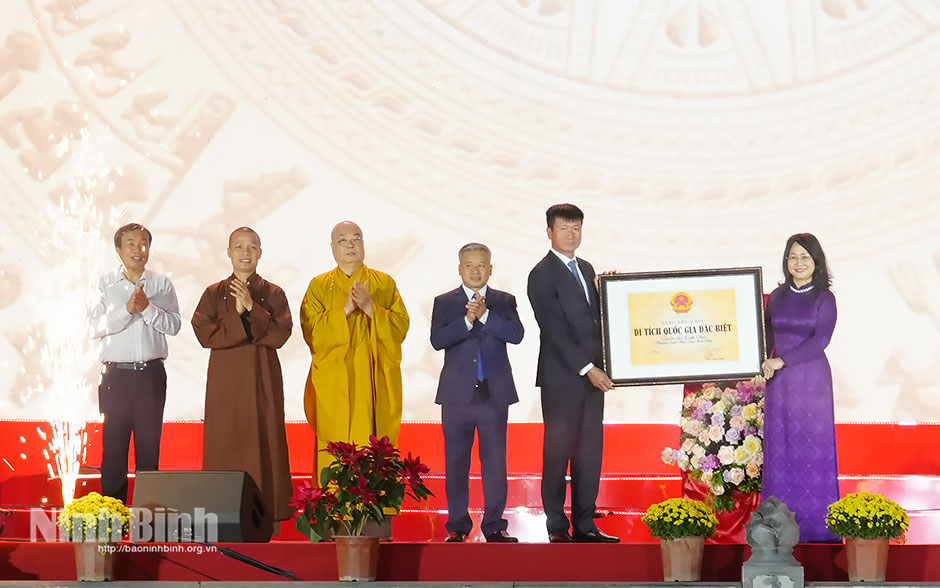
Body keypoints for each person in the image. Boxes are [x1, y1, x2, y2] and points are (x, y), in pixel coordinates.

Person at [526, 204, 619, 543]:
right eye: (564, 228)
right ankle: (556, 525)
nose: (571, 234)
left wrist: (609, 290)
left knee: (590, 450)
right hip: (562, 377)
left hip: (593, 376)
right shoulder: (541, 274)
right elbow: (553, 329)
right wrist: (587, 368)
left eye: (576, 228)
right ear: (549, 231)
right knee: (558, 450)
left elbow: (595, 321)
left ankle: (585, 523)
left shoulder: (587, 268)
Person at [191, 227, 293, 529]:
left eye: (252, 247)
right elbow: (204, 334)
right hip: (225, 380)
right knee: (225, 438)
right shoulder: (212, 293)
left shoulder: (274, 293)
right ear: (228, 252)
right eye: (239, 246)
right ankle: (221, 513)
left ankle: (267, 515)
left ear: (260, 252)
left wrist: (252, 307)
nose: (245, 252)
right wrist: (235, 313)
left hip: (262, 378)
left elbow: (280, 335)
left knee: (264, 438)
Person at [430, 243, 524, 543]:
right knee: (456, 463)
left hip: (493, 395)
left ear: (490, 268)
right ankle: (457, 526)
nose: (475, 270)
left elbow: (516, 335)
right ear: (459, 268)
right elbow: (437, 340)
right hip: (456, 396)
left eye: (481, 265)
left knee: (495, 463)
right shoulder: (444, 302)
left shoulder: (504, 300)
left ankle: (494, 525)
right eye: (469, 265)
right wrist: (468, 321)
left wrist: (485, 316)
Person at [300, 221, 410, 476]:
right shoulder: (318, 286)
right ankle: (334, 510)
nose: (350, 245)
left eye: (356, 239)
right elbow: (313, 333)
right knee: (335, 446)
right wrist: (347, 309)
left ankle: (373, 510)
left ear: (363, 245)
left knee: (372, 445)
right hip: (334, 381)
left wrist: (371, 308)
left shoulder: (384, 283)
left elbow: (401, 326)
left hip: (373, 378)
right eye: (342, 240)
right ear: (332, 248)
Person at [90, 223, 181, 504]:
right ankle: (113, 517)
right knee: (114, 449)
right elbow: (90, 327)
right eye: (130, 243)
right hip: (115, 377)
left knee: (148, 448)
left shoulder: (161, 284)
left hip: (150, 376)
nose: (137, 249)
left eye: (143, 243)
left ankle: (147, 516)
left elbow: (174, 325)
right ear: (118, 249)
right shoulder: (103, 284)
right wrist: (128, 310)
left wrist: (147, 309)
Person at [760, 233, 839, 543]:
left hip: (812, 382)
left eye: (805, 257)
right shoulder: (777, 296)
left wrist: (782, 361)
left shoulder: (824, 297)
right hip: (780, 385)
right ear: (786, 261)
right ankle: (775, 533)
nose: (799, 262)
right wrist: (761, 364)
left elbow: (821, 340)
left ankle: (817, 532)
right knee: (780, 452)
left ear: (816, 261)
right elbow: (766, 336)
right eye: (793, 256)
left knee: (813, 452)